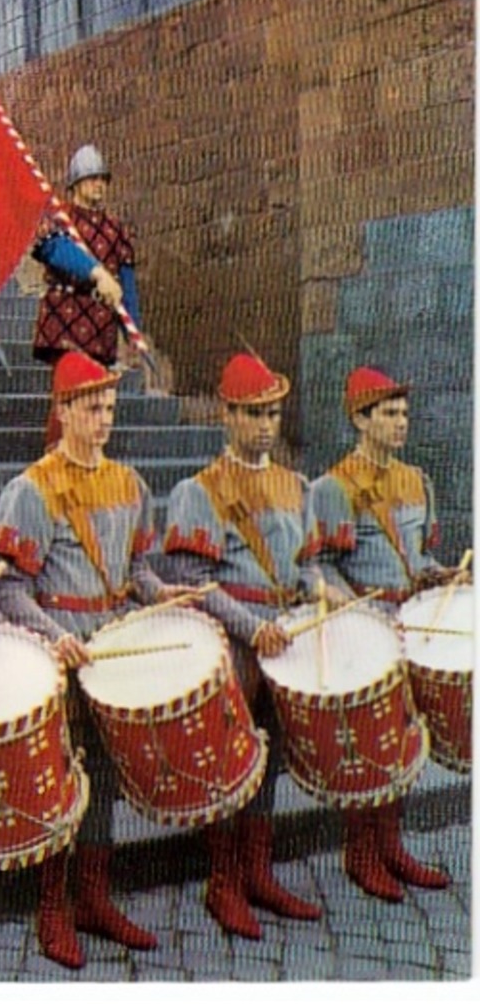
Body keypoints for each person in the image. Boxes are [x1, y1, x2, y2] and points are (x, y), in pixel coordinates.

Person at [0, 350, 180, 967]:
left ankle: (94, 899)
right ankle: (52, 909)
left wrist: (159, 593)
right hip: (59, 653)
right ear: (62, 410)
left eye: (110, 408)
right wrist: (51, 635)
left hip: (113, 652)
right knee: (56, 783)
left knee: (100, 779)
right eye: (92, 407)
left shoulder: (130, 483)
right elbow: (8, 588)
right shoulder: (31, 489)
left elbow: (136, 569)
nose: (104, 419)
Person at [162, 353, 328, 940]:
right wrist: (249, 625)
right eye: (254, 414)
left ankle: (260, 873)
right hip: (235, 643)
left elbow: (308, 561)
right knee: (232, 763)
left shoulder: (294, 485)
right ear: (227, 415)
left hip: (286, 640)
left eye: (274, 414)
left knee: (274, 755)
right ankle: (224, 882)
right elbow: (191, 583)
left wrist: (317, 594)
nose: (266, 425)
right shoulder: (197, 490)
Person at [309, 366, 457, 899]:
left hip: (411, 626)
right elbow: (316, 567)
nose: (401, 423)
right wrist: (352, 607)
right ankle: (361, 853)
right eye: (389, 414)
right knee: (368, 745)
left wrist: (438, 572)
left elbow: (416, 556)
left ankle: (392, 846)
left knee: (406, 738)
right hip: (365, 632)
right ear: (359, 419)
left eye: (404, 414)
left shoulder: (417, 480)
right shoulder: (332, 488)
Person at [32, 146, 140, 436]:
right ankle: (54, 468)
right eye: (92, 179)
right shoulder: (60, 219)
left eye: (102, 180)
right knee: (67, 402)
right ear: (76, 183)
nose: (99, 185)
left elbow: (126, 281)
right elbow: (54, 249)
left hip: (100, 325)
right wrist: (97, 274)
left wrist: (133, 333)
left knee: (94, 405)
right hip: (65, 320)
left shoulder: (116, 229)